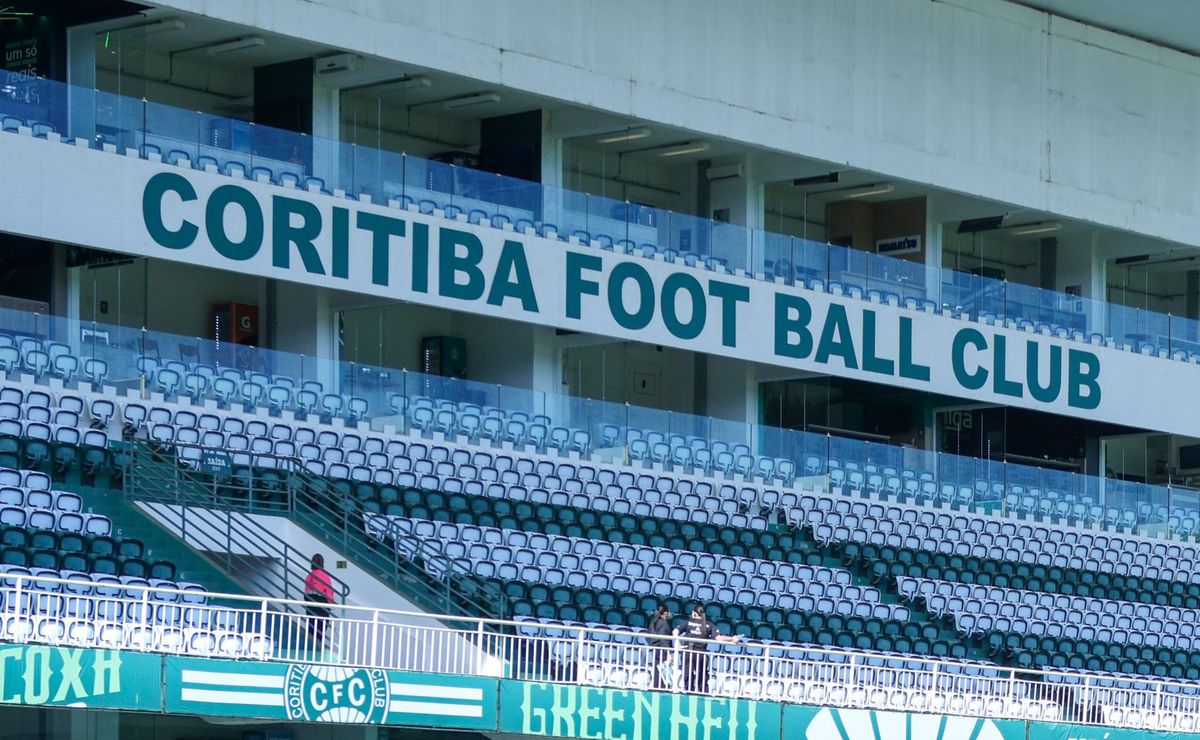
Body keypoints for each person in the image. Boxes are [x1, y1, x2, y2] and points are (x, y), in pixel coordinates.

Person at [675, 604, 738, 694]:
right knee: (702, 675)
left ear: (694, 613)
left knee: (688, 674)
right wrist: (732, 638)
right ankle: (703, 692)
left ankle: (689, 691)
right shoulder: (709, 624)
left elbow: (675, 631)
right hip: (700, 654)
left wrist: (677, 642)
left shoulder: (688, 622)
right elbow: (718, 637)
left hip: (688, 652)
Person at [304, 553, 335, 648]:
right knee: (321, 628)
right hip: (322, 605)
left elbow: (305, 591)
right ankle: (318, 648)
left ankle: (310, 647)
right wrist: (330, 605)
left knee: (311, 626)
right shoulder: (325, 576)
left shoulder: (309, 576)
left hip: (310, 604)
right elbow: (329, 592)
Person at [648, 606, 675, 689]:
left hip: (655, 649)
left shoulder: (653, 622)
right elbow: (664, 638)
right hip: (662, 649)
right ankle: (662, 688)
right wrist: (668, 653)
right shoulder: (664, 623)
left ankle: (657, 686)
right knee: (663, 670)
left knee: (657, 669)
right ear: (665, 613)